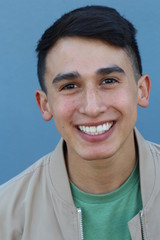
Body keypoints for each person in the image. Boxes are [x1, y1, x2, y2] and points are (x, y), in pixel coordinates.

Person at [0, 5, 159, 240]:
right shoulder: (6, 215)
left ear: (141, 90)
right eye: (70, 86)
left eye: (109, 80)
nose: (92, 108)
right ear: (45, 104)